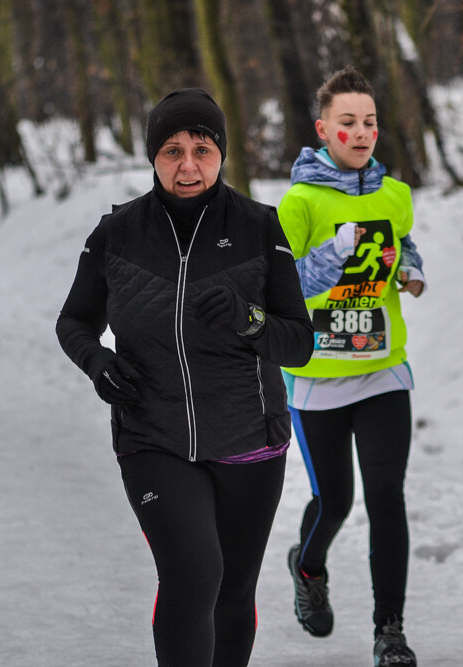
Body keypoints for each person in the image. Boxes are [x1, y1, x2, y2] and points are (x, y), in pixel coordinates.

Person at [55, 88, 313, 667]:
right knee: (195, 573)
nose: (188, 164)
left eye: (202, 148)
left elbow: (299, 342)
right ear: (152, 157)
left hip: (249, 439)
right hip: (154, 438)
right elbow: (74, 320)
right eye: (172, 150)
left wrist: (251, 321)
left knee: (232, 589)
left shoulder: (259, 228)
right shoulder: (116, 234)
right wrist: (97, 363)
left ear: (222, 153)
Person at [278, 66, 425, 667]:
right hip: (317, 378)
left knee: (387, 494)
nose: (361, 132)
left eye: (368, 121)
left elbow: (402, 240)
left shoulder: (395, 194)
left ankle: (389, 630)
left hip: (382, 367)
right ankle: (307, 566)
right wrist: (330, 255)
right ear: (323, 129)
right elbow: (281, 284)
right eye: (348, 122)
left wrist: (411, 268)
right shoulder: (300, 201)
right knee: (334, 501)